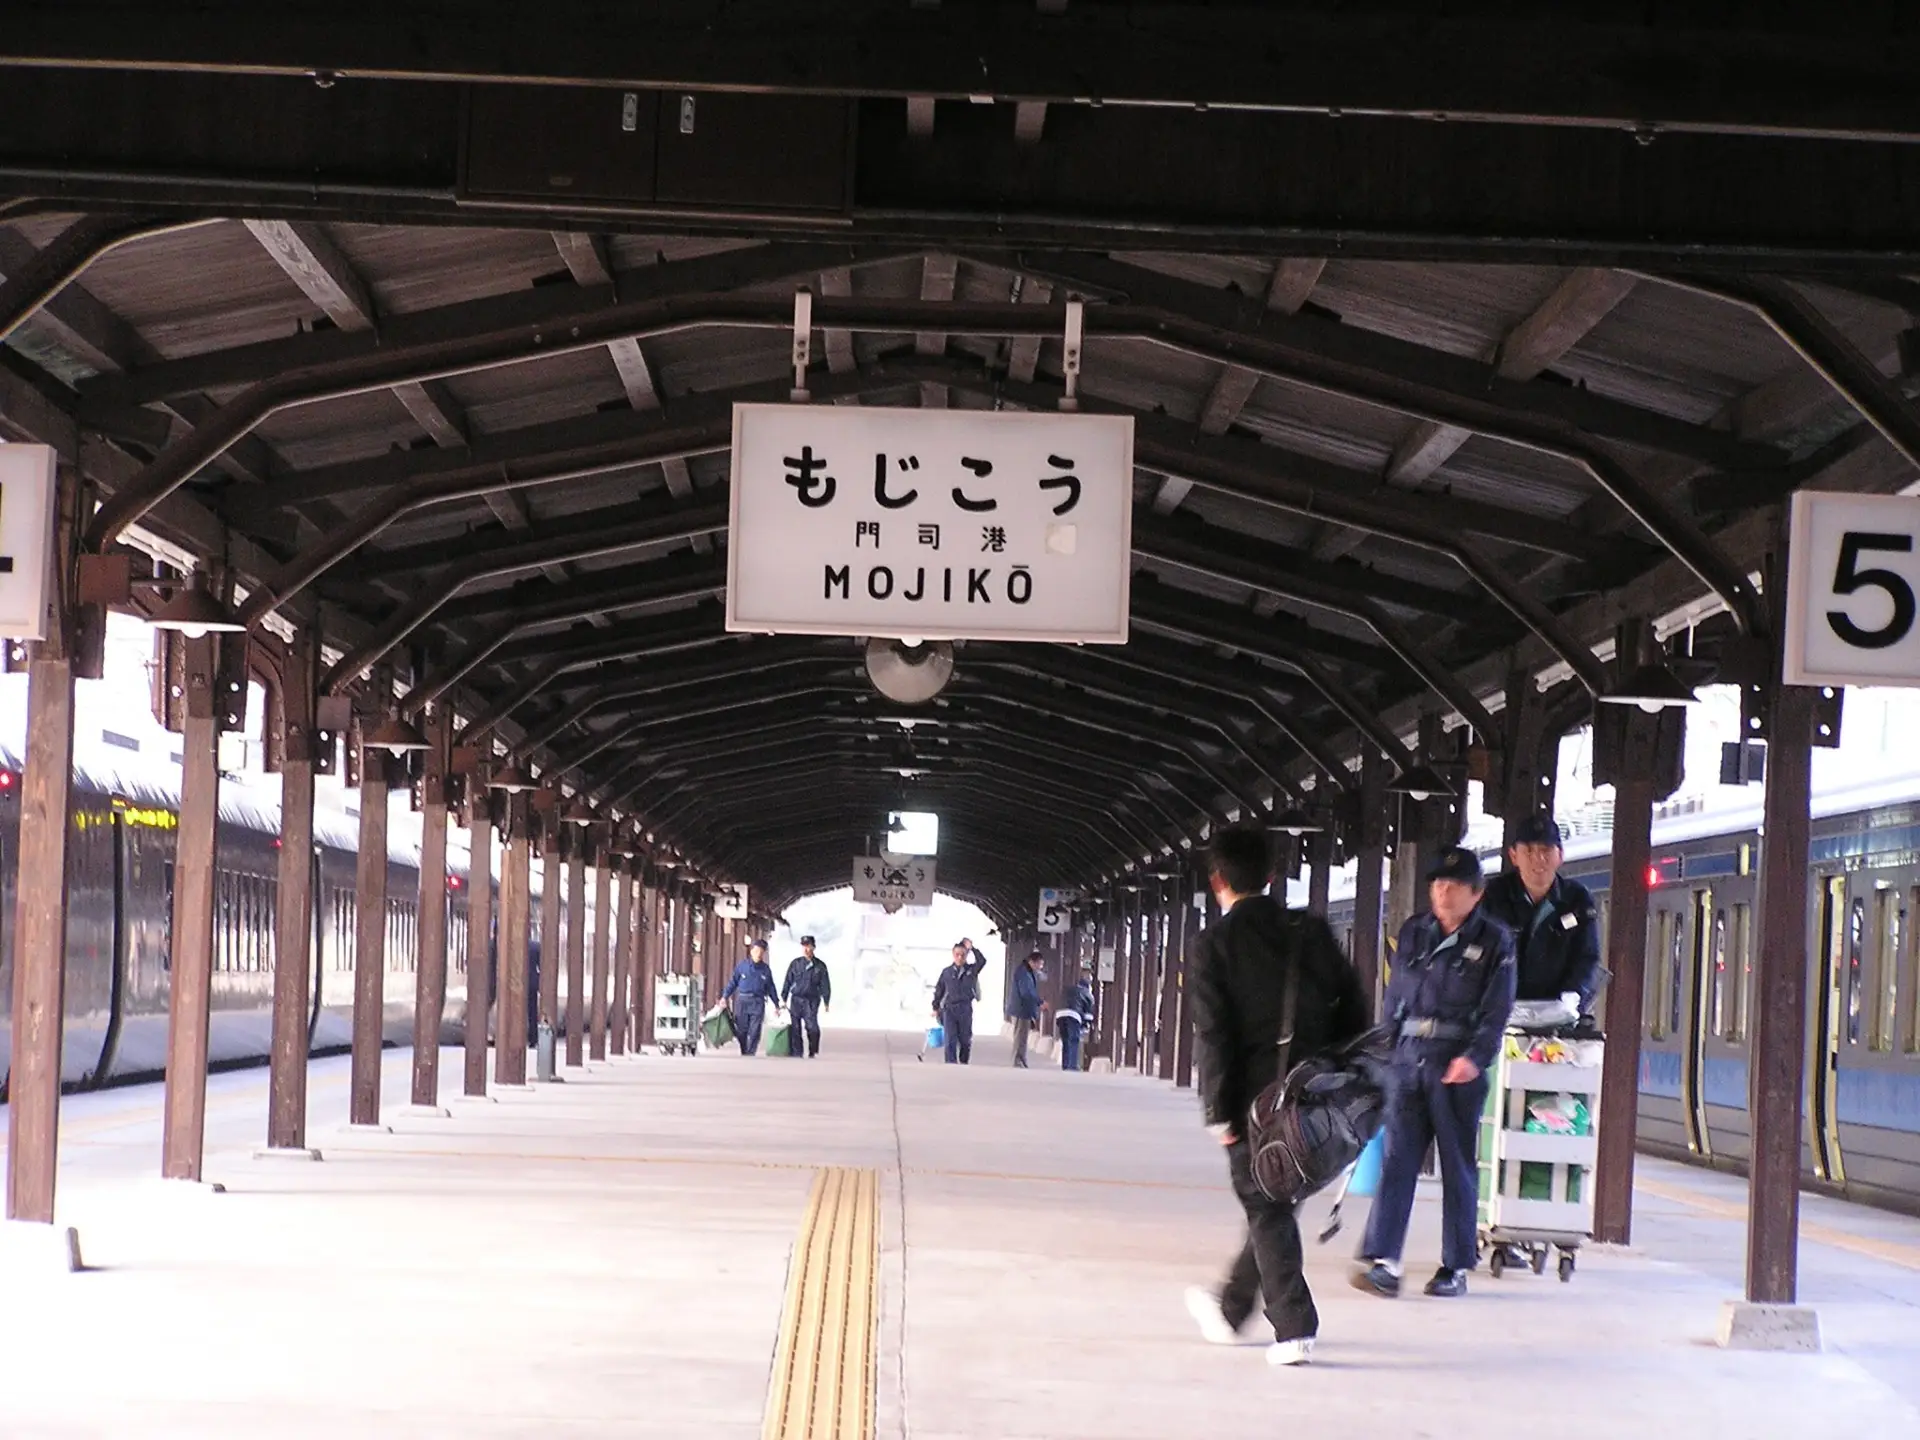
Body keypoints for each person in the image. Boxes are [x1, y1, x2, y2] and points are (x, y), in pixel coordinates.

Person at [1184, 825, 1370, 1367]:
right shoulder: (1309, 931)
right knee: (1274, 1203)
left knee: (1266, 1207)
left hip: (1251, 1103)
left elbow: (1213, 1033)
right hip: (1313, 1098)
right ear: (1271, 875)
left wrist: (1219, 1111)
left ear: (1217, 879)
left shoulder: (1213, 945)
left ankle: (1294, 1327)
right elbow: (1354, 1010)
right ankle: (1230, 1307)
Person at [1354, 846, 1517, 1301]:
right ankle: (1384, 1258)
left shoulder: (1495, 940)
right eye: (1437, 885)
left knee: (1458, 1166)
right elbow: (1395, 997)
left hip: (1455, 1063)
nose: (1443, 892)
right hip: (1409, 1058)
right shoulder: (1413, 932)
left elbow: (1496, 1007)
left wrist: (1476, 1057)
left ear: (1476, 893)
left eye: (1454, 886)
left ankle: (1456, 1265)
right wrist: (1383, 1051)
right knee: (1397, 1158)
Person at [1479, 815, 1602, 1013]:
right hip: (1500, 1012)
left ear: (1560, 855)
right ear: (1513, 856)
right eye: (1528, 851)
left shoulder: (1577, 899)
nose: (1538, 858)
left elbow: (1587, 958)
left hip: (1558, 1014)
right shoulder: (1493, 897)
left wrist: (1573, 996)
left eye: (1546, 850)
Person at [931, 938, 988, 1064]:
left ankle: (963, 1061)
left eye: (963, 954)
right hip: (949, 1009)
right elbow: (939, 989)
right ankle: (950, 1062)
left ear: (966, 955)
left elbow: (982, 961)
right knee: (950, 1038)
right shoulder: (946, 972)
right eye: (957, 954)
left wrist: (972, 948)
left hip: (965, 1008)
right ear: (953, 955)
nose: (960, 957)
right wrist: (935, 1007)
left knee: (965, 1039)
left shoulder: (971, 970)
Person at [722, 938, 782, 1056]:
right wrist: (725, 997)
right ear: (751, 951)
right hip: (742, 1000)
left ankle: (751, 1052)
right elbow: (733, 982)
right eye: (756, 951)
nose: (758, 954)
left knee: (755, 1030)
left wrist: (776, 1004)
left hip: (757, 1001)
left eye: (761, 951)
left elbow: (771, 988)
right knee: (741, 1030)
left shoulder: (765, 970)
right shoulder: (742, 966)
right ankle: (744, 1049)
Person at [781, 936, 833, 1058]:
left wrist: (826, 1001)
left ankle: (812, 1050)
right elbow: (788, 981)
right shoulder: (796, 964)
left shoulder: (820, 966)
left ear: (813, 947)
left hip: (811, 1001)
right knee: (795, 1027)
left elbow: (825, 984)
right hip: (796, 999)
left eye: (808, 946)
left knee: (812, 1027)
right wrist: (784, 997)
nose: (806, 949)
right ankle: (797, 1052)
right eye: (804, 946)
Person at [1008, 950, 1046, 1068]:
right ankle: (1018, 1060)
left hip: (1022, 1009)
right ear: (1032, 962)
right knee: (1020, 1037)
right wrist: (1039, 1002)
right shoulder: (1024, 973)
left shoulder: (1027, 972)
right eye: (1039, 964)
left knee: (1022, 1037)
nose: (1040, 967)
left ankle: (1021, 1059)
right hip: (1021, 1009)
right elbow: (1027, 992)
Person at [1055, 969, 1096, 1072]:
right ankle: (1072, 1066)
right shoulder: (1087, 994)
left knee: (1065, 1040)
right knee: (1074, 1040)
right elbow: (1088, 1015)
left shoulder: (1068, 989)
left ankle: (1065, 1065)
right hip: (1074, 1015)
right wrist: (1085, 1025)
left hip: (1060, 1015)